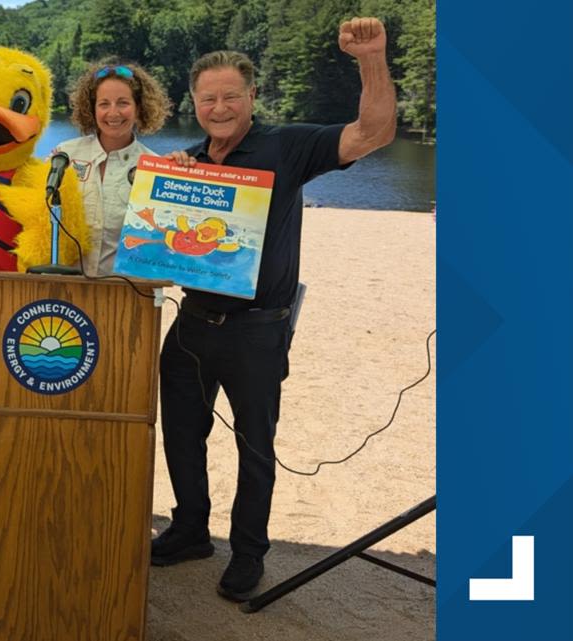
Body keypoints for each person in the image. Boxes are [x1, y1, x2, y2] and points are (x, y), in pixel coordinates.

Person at [151, 17, 396, 602]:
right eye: (208, 97)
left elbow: (376, 132)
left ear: (252, 96)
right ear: (194, 101)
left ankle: (249, 552)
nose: (219, 106)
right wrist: (159, 189)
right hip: (189, 326)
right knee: (182, 435)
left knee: (255, 446)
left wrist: (371, 59)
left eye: (231, 95)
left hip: (258, 331)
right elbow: (157, 243)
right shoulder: (185, 162)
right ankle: (189, 530)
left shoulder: (288, 145)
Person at [54, 61, 171, 276]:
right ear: (92, 109)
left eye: (123, 103)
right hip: (66, 292)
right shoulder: (64, 156)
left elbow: (160, 244)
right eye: (104, 104)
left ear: (139, 108)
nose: (113, 113)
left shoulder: (154, 168)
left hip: (123, 295)